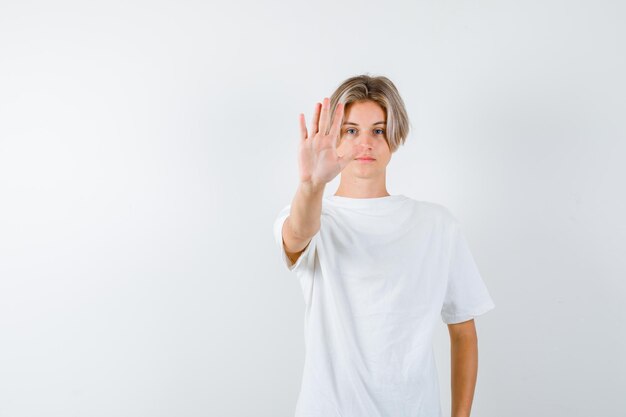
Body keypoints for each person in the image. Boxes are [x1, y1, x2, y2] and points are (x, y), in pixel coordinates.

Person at [272, 74, 495, 417]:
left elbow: (463, 331)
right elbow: (298, 234)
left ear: (395, 136)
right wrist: (312, 183)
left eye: (378, 130)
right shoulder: (316, 216)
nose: (365, 142)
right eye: (350, 130)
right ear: (334, 137)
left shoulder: (437, 225)